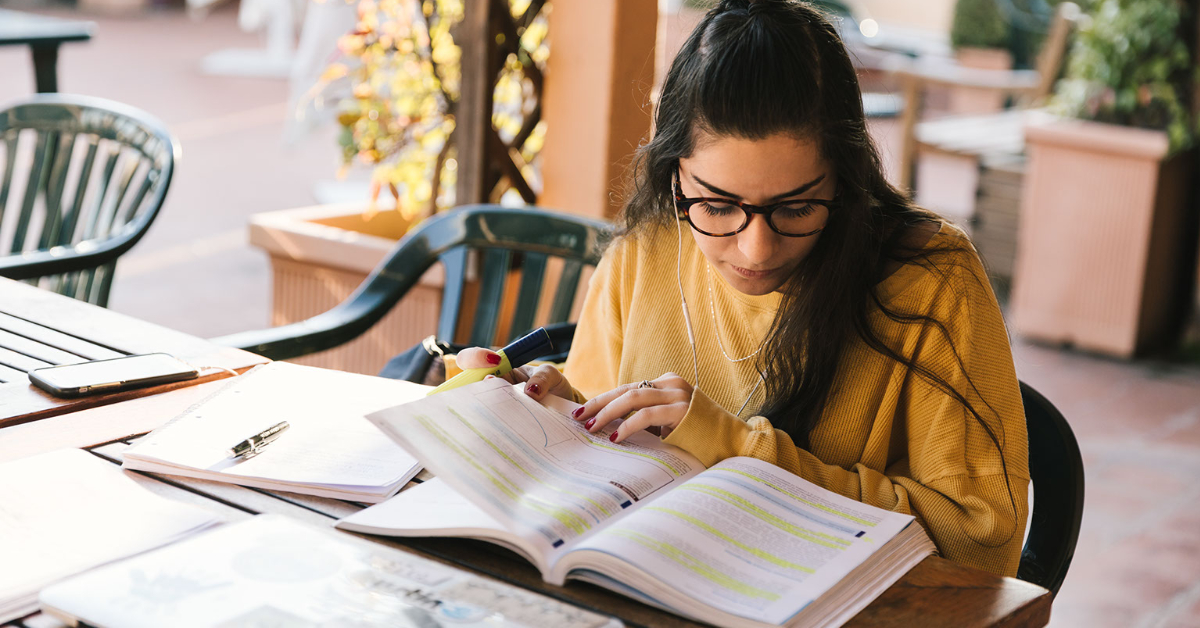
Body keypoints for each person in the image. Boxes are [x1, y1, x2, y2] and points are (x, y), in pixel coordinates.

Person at [456, 0, 1028, 577]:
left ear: (846, 179)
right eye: (717, 204)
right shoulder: (648, 248)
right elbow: (603, 454)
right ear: (674, 173)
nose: (755, 249)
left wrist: (735, 449)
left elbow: (981, 543)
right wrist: (550, 411)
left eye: (798, 206)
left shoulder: (930, 279)